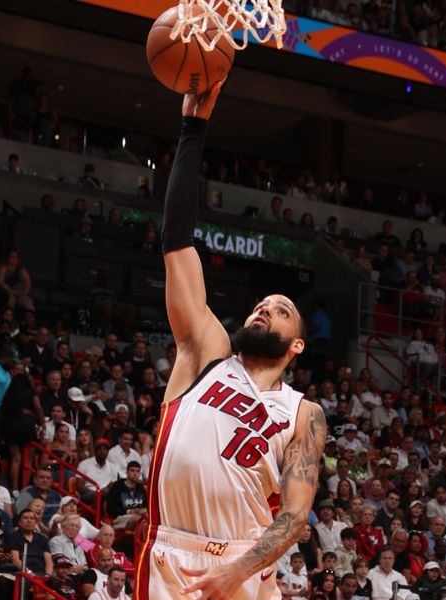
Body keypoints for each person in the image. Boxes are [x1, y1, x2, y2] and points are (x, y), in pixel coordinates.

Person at [132, 81, 325, 600]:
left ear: (296, 346)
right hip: (172, 554)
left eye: (281, 310)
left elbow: (296, 516)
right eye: (262, 304)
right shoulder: (207, 353)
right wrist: (193, 130)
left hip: (245, 566)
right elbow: (177, 242)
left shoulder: (303, 413)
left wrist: (236, 572)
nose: (265, 308)